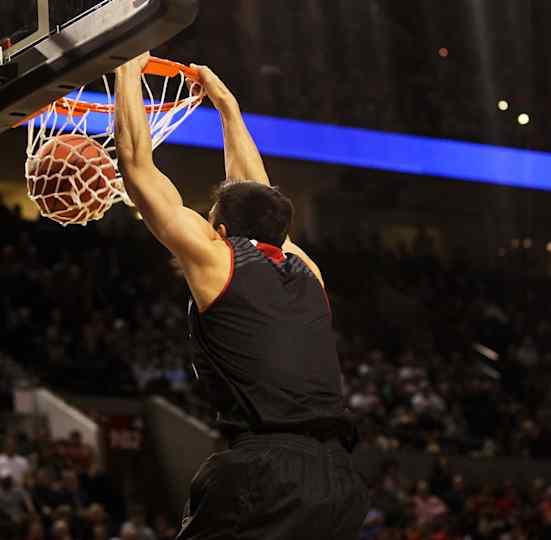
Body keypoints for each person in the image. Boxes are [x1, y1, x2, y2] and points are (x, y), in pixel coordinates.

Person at [114, 53, 368, 539]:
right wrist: (227, 107)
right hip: (339, 482)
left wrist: (125, 69)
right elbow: (256, 191)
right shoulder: (305, 267)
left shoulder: (219, 259)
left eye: (210, 217)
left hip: (267, 472)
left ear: (222, 230)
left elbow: (137, 168)